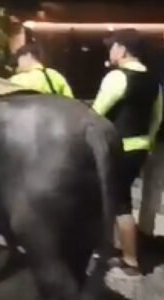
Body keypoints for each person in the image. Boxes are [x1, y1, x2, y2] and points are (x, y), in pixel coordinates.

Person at [92, 28, 163, 275]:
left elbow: (96, 115)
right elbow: (157, 116)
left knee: (120, 203)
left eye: (112, 46)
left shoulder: (116, 77)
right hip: (140, 147)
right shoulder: (153, 80)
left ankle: (130, 260)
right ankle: (116, 248)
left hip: (117, 148)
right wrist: (148, 143)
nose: (110, 51)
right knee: (116, 198)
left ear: (122, 49)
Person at [9, 43, 74, 98]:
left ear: (28, 55)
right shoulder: (55, 76)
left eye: (19, 59)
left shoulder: (17, 80)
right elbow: (70, 101)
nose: (18, 64)